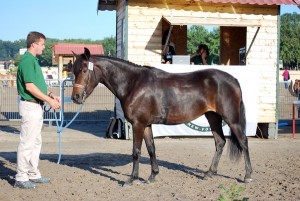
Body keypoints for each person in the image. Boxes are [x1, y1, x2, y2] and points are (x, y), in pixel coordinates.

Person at [15, 31, 61, 189]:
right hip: (30, 105)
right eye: (42, 44)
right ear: (34, 44)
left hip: (36, 106)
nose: (43, 47)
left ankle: (33, 174)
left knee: (35, 142)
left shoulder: (32, 61)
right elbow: (30, 86)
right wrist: (49, 100)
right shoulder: (28, 61)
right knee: (27, 142)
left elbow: (38, 85)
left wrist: (50, 95)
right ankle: (21, 177)